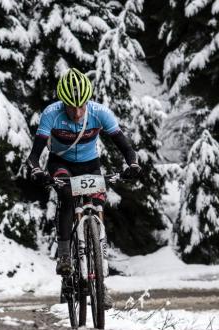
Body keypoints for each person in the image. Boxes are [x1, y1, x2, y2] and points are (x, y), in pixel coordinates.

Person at [25, 68, 141, 309]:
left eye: (81, 106)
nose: (77, 112)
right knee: (67, 197)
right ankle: (66, 256)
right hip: (61, 163)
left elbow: (125, 147)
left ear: (88, 101)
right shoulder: (51, 114)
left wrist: (132, 164)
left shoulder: (100, 113)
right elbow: (34, 155)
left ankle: (101, 281)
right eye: (71, 107)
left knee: (98, 205)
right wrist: (36, 169)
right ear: (62, 102)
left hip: (90, 165)